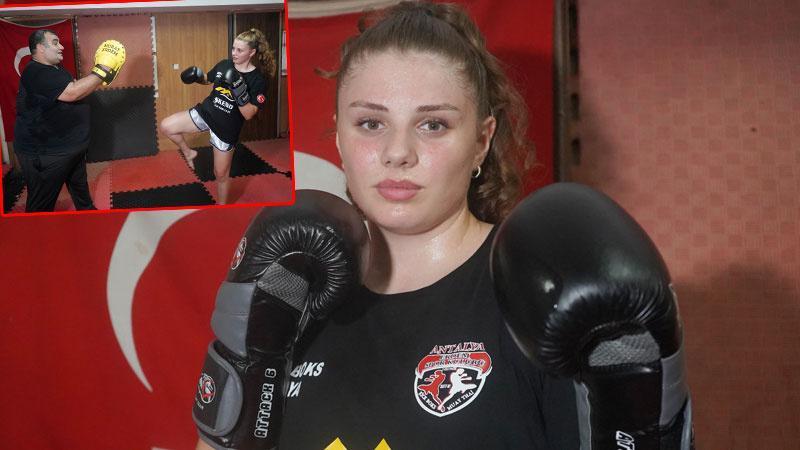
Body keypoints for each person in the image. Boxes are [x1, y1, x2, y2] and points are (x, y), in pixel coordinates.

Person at [195, 2, 579, 449]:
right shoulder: (291, 289)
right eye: (371, 123)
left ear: (481, 140)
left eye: (433, 124)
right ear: (340, 137)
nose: (398, 152)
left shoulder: (536, 296)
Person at [159, 29, 275, 205]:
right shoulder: (225, 64)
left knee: (220, 175)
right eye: (233, 48)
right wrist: (198, 76)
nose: (234, 53)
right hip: (206, 113)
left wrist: (239, 90)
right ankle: (189, 152)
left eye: (239, 50)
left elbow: (248, 114)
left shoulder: (258, 80)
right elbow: (208, 79)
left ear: (251, 52)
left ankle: (222, 208)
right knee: (166, 126)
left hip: (226, 128)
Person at [14, 30, 125, 212]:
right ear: (40, 47)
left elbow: (75, 88)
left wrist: (99, 78)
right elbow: (72, 93)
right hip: (45, 153)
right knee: (40, 205)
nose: (61, 47)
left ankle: (87, 214)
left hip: (70, 147)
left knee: (80, 191)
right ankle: (36, 230)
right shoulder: (35, 72)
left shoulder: (56, 69)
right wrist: (103, 70)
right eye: (55, 42)